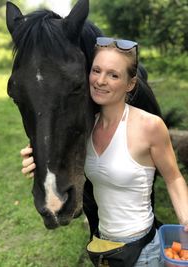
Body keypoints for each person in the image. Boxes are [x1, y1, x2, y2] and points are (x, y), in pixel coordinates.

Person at [20, 37, 188, 266]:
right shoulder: (86, 128)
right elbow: (56, 153)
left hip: (142, 252)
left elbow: (174, 177)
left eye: (114, 75)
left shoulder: (150, 126)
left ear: (130, 84)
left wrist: (186, 219)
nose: (100, 80)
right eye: (96, 70)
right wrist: (37, 161)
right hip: (104, 248)